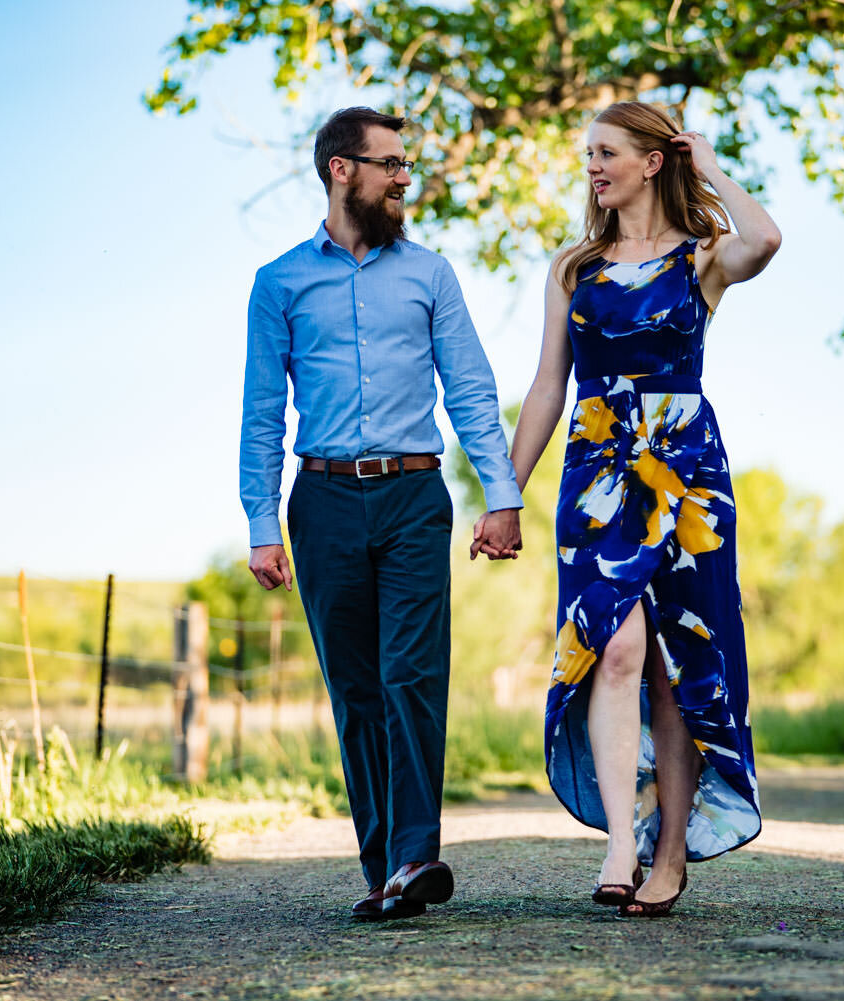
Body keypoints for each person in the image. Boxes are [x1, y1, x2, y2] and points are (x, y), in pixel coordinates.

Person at [483, 101, 781, 917]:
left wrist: (710, 163)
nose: (593, 167)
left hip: (688, 475)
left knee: (676, 661)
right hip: (597, 469)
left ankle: (671, 853)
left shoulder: (702, 260)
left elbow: (767, 240)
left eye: (607, 152)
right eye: (588, 156)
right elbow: (548, 386)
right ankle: (622, 840)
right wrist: (505, 491)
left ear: (653, 161)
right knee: (609, 645)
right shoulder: (574, 268)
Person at [241, 106, 523, 921]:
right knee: (356, 687)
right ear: (341, 170)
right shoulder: (280, 282)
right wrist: (262, 521)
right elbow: (263, 412)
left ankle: (414, 855)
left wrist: (500, 494)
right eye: (390, 164)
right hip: (322, 500)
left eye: (405, 164)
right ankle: (382, 870)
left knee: (412, 672)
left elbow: (470, 388)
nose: (405, 178)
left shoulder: (430, 274)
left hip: (411, 494)